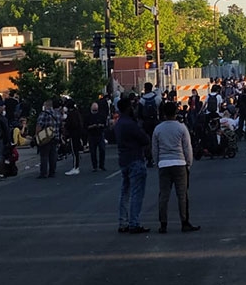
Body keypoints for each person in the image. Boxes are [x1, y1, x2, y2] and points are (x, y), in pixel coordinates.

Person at [151, 101, 200, 234]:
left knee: (164, 195)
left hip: (164, 164)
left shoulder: (158, 129)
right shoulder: (181, 127)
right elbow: (187, 147)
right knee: (182, 194)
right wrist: (188, 163)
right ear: (176, 112)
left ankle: (163, 224)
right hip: (179, 162)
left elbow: (154, 149)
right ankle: (184, 222)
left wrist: (157, 163)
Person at [115, 97, 151, 234]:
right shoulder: (131, 124)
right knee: (137, 192)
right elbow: (144, 139)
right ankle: (134, 223)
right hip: (135, 157)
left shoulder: (119, 124)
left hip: (123, 159)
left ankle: (122, 221)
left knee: (125, 192)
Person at [35, 99, 62, 178]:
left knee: (44, 156)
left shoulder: (44, 114)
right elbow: (61, 125)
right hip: (55, 137)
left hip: (45, 138)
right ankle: (52, 172)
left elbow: (39, 126)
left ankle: (43, 173)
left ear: (46, 105)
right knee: (53, 155)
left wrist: (37, 136)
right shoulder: (57, 114)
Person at [86, 102, 107, 171]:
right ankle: (95, 166)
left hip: (100, 134)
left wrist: (101, 125)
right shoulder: (88, 116)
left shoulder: (101, 115)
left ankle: (102, 165)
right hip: (92, 135)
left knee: (102, 150)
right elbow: (86, 126)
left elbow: (104, 124)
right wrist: (92, 126)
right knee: (93, 152)